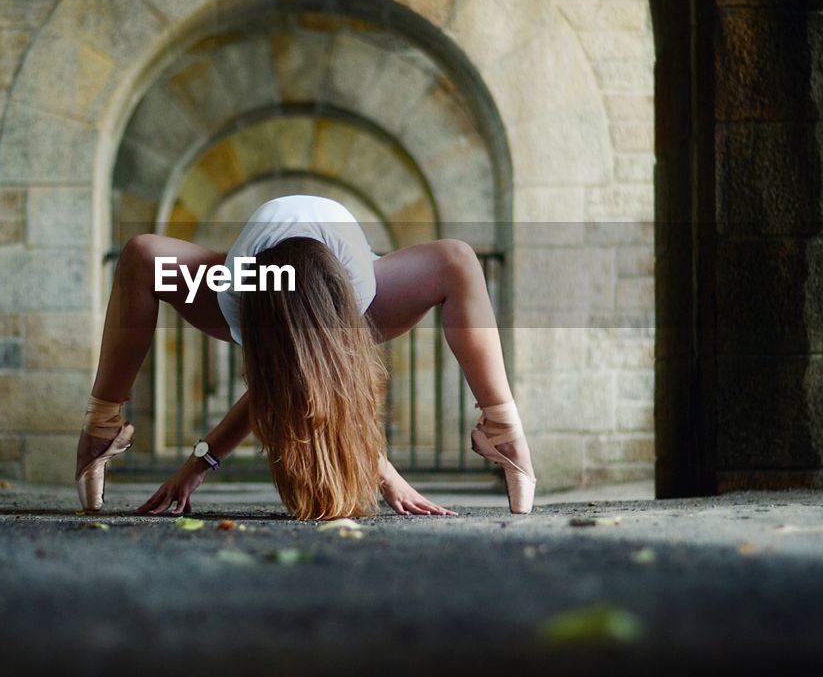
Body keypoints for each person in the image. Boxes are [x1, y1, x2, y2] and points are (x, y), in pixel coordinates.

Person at [75, 194, 537, 520]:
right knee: (140, 258)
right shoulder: (234, 293)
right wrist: (192, 465)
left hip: (352, 283)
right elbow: (276, 386)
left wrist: (388, 475)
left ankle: (503, 428)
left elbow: (314, 387)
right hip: (254, 281)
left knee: (458, 261)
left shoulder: (359, 295)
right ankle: (102, 427)